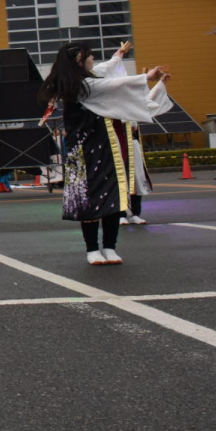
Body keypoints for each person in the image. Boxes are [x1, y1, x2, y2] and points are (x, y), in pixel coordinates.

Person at [37, 42, 172, 266]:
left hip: (105, 147)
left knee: (113, 195)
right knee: (89, 198)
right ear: (80, 60)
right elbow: (112, 83)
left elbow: (105, 71)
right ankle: (92, 248)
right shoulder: (80, 85)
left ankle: (109, 247)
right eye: (90, 56)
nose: (93, 60)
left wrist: (118, 56)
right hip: (83, 150)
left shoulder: (86, 79)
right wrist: (145, 77)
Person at [99, 42, 155, 225]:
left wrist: (159, 82)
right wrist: (119, 55)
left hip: (132, 146)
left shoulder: (131, 104)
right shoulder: (108, 106)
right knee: (118, 180)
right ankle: (121, 214)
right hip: (114, 148)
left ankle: (135, 213)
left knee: (136, 179)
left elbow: (148, 101)